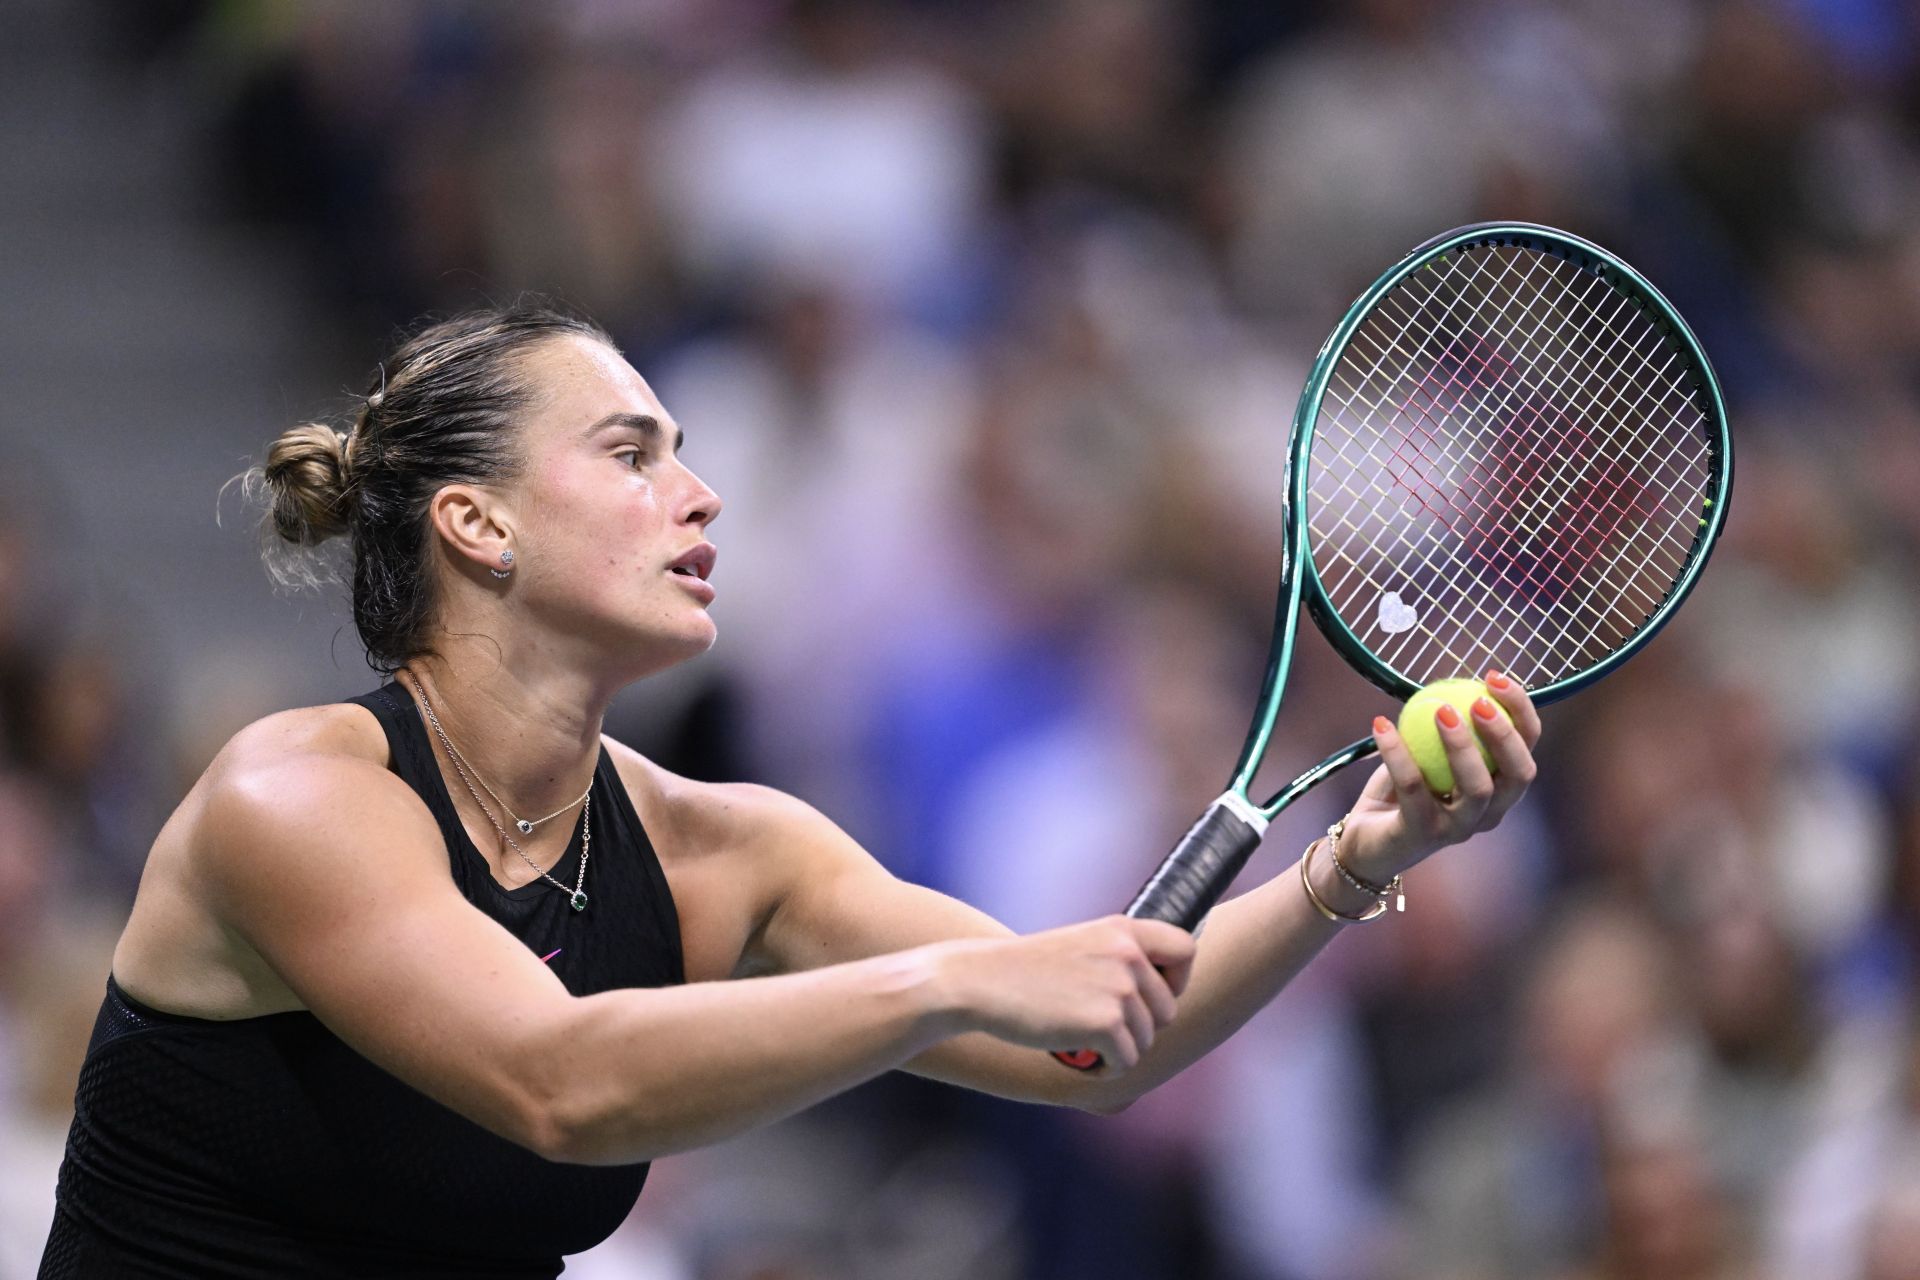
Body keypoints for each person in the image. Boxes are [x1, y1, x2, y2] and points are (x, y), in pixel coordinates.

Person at [37, 303, 1540, 1278]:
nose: (696, 493)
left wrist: (1353, 862)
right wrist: (957, 980)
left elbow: (1093, 1053)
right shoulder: (290, 798)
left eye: (688, 454)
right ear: (475, 524)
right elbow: (565, 1085)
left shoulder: (718, 849)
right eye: (631, 455)